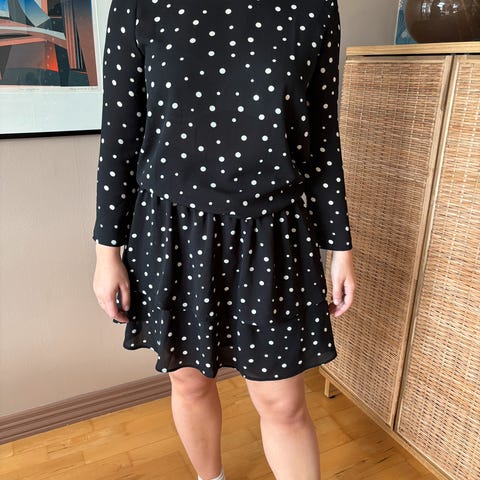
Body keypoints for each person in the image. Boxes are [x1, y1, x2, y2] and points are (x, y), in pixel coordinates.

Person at [93, 0, 355, 479]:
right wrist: (105, 252)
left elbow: (321, 136)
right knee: (189, 382)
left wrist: (339, 245)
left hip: (274, 231)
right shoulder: (139, 5)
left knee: (283, 402)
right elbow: (119, 135)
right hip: (172, 232)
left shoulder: (314, 6)